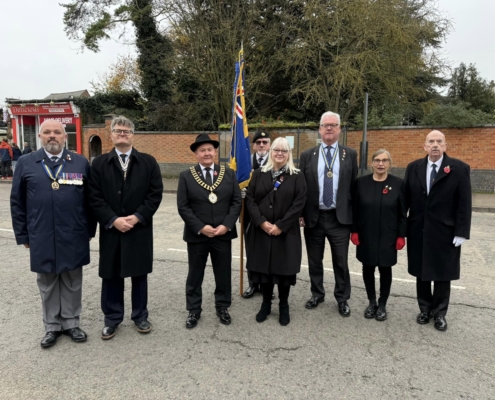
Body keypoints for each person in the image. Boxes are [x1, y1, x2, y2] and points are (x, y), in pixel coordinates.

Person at [10, 120, 96, 348]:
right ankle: (51, 327)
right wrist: (23, 235)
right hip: (41, 233)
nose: (52, 136)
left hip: (74, 233)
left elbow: (90, 200)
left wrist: (90, 230)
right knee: (47, 282)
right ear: (40, 136)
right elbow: (17, 202)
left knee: (72, 280)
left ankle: (71, 323)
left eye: (57, 132)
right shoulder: (27, 163)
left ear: (65, 136)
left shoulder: (79, 162)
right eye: (47, 132)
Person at [89, 115, 163, 340]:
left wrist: (138, 216)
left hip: (138, 229)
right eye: (118, 130)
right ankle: (112, 319)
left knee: (139, 274)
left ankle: (140, 315)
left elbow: (155, 194)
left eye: (126, 131)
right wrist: (112, 219)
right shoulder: (99, 163)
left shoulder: (148, 162)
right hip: (112, 230)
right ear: (110, 134)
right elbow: (94, 196)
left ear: (132, 135)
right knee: (111, 275)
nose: (122, 134)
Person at [404, 130, 471, 331]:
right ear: (424, 146)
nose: (435, 145)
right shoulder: (413, 167)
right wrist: (400, 228)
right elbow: (405, 200)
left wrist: (461, 231)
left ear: (445, 146)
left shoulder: (459, 168)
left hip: (445, 232)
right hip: (419, 229)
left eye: (439, 141)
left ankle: (440, 313)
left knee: (443, 273)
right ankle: (425, 309)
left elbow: (464, 203)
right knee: (421, 271)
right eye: (431, 141)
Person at [177, 134, 241, 329]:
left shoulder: (228, 173)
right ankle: (194, 310)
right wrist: (200, 227)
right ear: (196, 154)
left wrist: (227, 225)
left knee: (223, 273)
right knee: (195, 274)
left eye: (210, 149)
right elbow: (183, 206)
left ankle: (222, 307)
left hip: (222, 234)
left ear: (215, 152)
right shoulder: (186, 175)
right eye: (202, 150)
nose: (207, 153)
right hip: (198, 235)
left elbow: (236, 201)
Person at [299, 111, 358, 316]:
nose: (329, 128)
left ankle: (342, 298)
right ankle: (317, 293)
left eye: (334, 125)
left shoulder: (349, 154)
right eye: (326, 125)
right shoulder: (308, 155)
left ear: (340, 129)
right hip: (313, 217)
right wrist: (300, 213)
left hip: (339, 218)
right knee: (315, 260)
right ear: (320, 129)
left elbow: (353, 187)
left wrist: (353, 217)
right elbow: (302, 188)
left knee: (340, 261)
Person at [245, 137, 306, 325]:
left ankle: (284, 305)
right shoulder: (258, 173)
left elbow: (299, 203)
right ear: (271, 152)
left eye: (284, 151)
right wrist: (262, 223)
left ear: (289, 154)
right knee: (265, 270)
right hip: (262, 231)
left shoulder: (297, 175)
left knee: (283, 271)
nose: (280, 153)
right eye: (276, 150)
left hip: (286, 232)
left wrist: (281, 225)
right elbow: (250, 200)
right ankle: (265, 304)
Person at [350, 149, 407, 321]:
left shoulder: (398, 183)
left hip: (389, 236)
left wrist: (401, 235)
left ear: (390, 163)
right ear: (371, 163)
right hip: (366, 233)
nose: (380, 164)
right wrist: (354, 231)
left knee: (385, 268)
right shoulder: (360, 183)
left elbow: (403, 212)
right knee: (367, 267)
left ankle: (382, 304)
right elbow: (354, 209)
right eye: (377, 160)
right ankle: (372, 302)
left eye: (384, 160)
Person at [242, 131, 271, 299]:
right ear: (253, 145)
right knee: (251, 250)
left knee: (268, 250)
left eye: (264, 142)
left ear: (269, 145)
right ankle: (253, 283)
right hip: (248, 213)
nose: (261, 145)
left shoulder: (275, 161)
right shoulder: (246, 162)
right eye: (258, 142)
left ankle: (267, 285)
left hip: (269, 214)